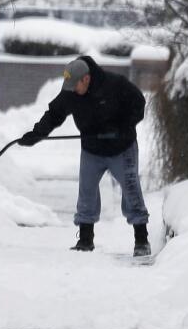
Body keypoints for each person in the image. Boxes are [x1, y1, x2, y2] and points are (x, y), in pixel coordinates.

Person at [19, 56, 151, 256]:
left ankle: (141, 239)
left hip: (121, 147)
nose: (73, 91)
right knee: (86, 192)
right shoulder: (71, 93)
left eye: (75, 86)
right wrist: (37, 134)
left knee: (131, 189)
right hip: (92, 148)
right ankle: (85, 240)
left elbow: (138, 104)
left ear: (86, 79)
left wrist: (123, 127)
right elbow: (55, 114)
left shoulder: (115, 84)